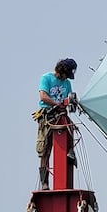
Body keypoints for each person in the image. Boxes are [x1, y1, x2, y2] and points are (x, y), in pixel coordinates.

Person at [34, 58, 76, 189]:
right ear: (61, 71)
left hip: (61, 116)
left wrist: (72, 102)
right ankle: (44, 182)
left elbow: (69, 99)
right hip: (47, 116)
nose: (65, 78)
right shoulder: (46, 78)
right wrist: (57, 104)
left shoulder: (67, 83)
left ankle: (71, 154)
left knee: (69, 135)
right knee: (45, 149)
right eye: (65, 75)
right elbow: (43, 97)